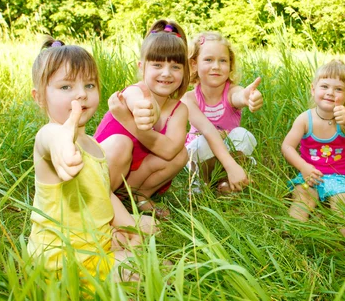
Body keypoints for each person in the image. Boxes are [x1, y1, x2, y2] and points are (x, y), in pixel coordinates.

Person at [28, 37, 153, 284]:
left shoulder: (93, 145)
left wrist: (130, 229)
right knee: (155, 271)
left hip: (94, 241)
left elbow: (104, 194)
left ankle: (118, 255)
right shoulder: (51, 137)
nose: (81, 95)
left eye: (89, 85)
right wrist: (60, 145)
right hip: (64, 261)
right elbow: (48, 140)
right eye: (66, 87)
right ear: (40, 97)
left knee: (148, 226)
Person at [283, 59, 345, 251]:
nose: (330, 92)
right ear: (313, 90)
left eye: (338, 89)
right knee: (303, 197)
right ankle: (291, 237)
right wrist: (303, 167)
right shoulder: (305, 118)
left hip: (340, 179)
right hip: (310, 176)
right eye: (325, 86)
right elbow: (287, 146)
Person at [94, 20, 189, 218]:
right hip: (103, 173)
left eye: (175, 66)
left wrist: (128, 122)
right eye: (157, 64)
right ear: (142, 67)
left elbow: (170, 151)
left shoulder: (179, 110)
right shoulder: (135, 92)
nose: (166, 73)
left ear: (184, 70)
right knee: (121, 143)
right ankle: (100, 202)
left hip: (131, 177)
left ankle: (137, 196)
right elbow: (137, 102)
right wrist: (142, 110)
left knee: (181, 154)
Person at [183, 32, 263, 194]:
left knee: (244, 135)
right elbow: (207, 131)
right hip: (201, 158)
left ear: (230, 66)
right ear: (193, 64)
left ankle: (226, 180)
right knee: (204, 142)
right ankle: (201, 184)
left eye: (223, 61)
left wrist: (247, 97)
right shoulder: (189, 99)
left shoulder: (231, 92)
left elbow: (239, 96)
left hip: (228, 153)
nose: (216, 66)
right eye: (208, 60)